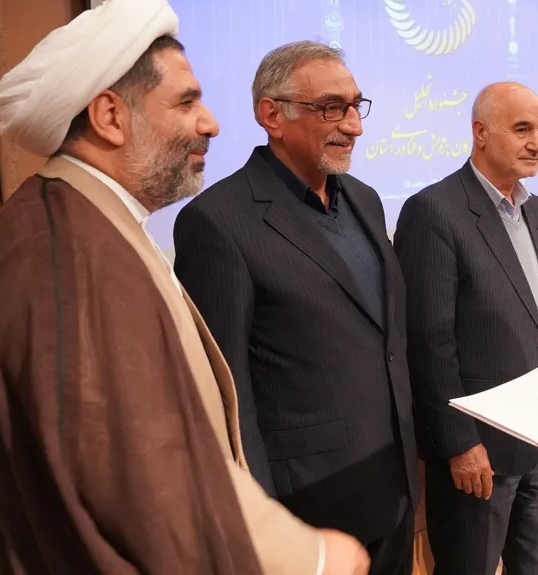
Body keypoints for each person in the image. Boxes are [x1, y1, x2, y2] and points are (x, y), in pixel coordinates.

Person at [0, 0, 367, 574]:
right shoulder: (70, 257)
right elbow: (143, 477)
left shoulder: (86, 225)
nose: (211, 123)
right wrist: (315, 559)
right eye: (185, 103)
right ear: (110, 117)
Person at [174, 41, 418, 574]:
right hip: (306, 510)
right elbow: (225, 395)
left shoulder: (364, 199)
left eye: (355, 106)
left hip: (394, 490)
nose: (353, 125)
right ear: (271, 116)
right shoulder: (217, 221)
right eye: (331, 108)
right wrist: (263, 528)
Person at [395, 82, 538, 575]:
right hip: (481, 451)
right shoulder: (434, 210)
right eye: (522, 129)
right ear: (480, 132)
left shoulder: (536, 209)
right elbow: (428, 343)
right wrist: (459, 442)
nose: (536, 143)